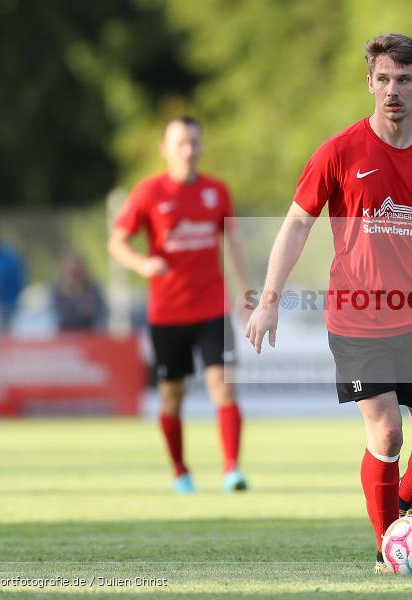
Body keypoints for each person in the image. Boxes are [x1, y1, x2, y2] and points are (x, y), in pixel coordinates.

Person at [245, 33, 412, 572]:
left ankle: (399, 503)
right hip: (356, 319)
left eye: (403, 79)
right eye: (383, 79)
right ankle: (386, 547)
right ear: (369, 83)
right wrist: (269, 298)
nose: (392, 90)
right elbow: (298, 224)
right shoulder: (339, 151)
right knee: (387, 431)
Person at [108, 116, 249, 494]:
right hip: (168, 314)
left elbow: (231, 244)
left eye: (194, 143)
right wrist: (142, 264)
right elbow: (117, 242)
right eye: (181, 143)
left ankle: (232, 470)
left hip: (212, 309)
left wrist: (247, 291)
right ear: (165, 149)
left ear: (201, 147)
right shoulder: (149, 193)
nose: (188, 150)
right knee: (173, 395)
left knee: (224, 386)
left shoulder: (216, 191)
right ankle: (180, 472)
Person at [51, 252, 107, 331]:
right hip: (65, 335)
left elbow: (99, 311)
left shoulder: (92, 289)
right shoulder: (58, 289)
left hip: (89, 334)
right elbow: (58, 313)